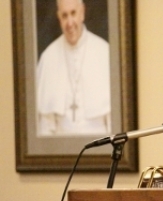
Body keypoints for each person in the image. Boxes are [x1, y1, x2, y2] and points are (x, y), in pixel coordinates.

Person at [36, 0, 111, 136]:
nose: (70, 23)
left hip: (100, 150)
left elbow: (113, 123)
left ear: (82, 13)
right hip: (61, 152)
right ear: (59, 18)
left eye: (73, 13)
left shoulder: (105, 53)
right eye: (64, 16)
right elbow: (45, 127)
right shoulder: (49, 57)